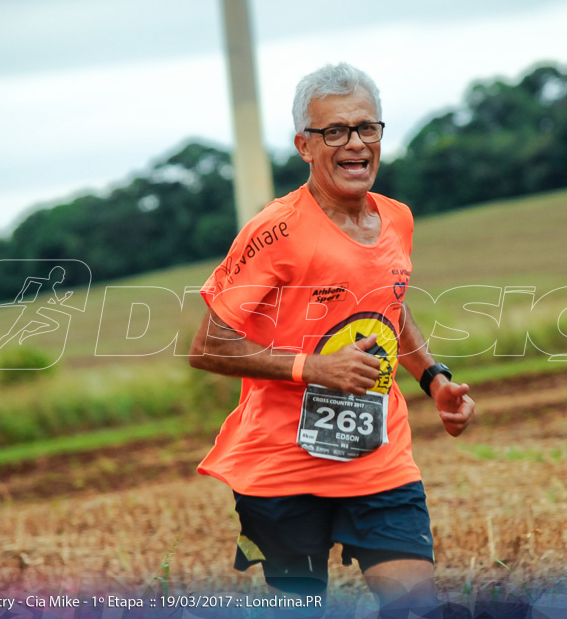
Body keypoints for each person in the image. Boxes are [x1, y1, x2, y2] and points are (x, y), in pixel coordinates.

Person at [189, 62, 475, 616]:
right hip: (283, 466)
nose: (356, 143)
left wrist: (432, 377)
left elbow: (388, 304)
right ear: (304, 145)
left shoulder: (397, 219)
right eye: (336, 132)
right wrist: (314, 369)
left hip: (378, 456)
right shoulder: (276, 231)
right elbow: (208, 346)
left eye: (368, 128)